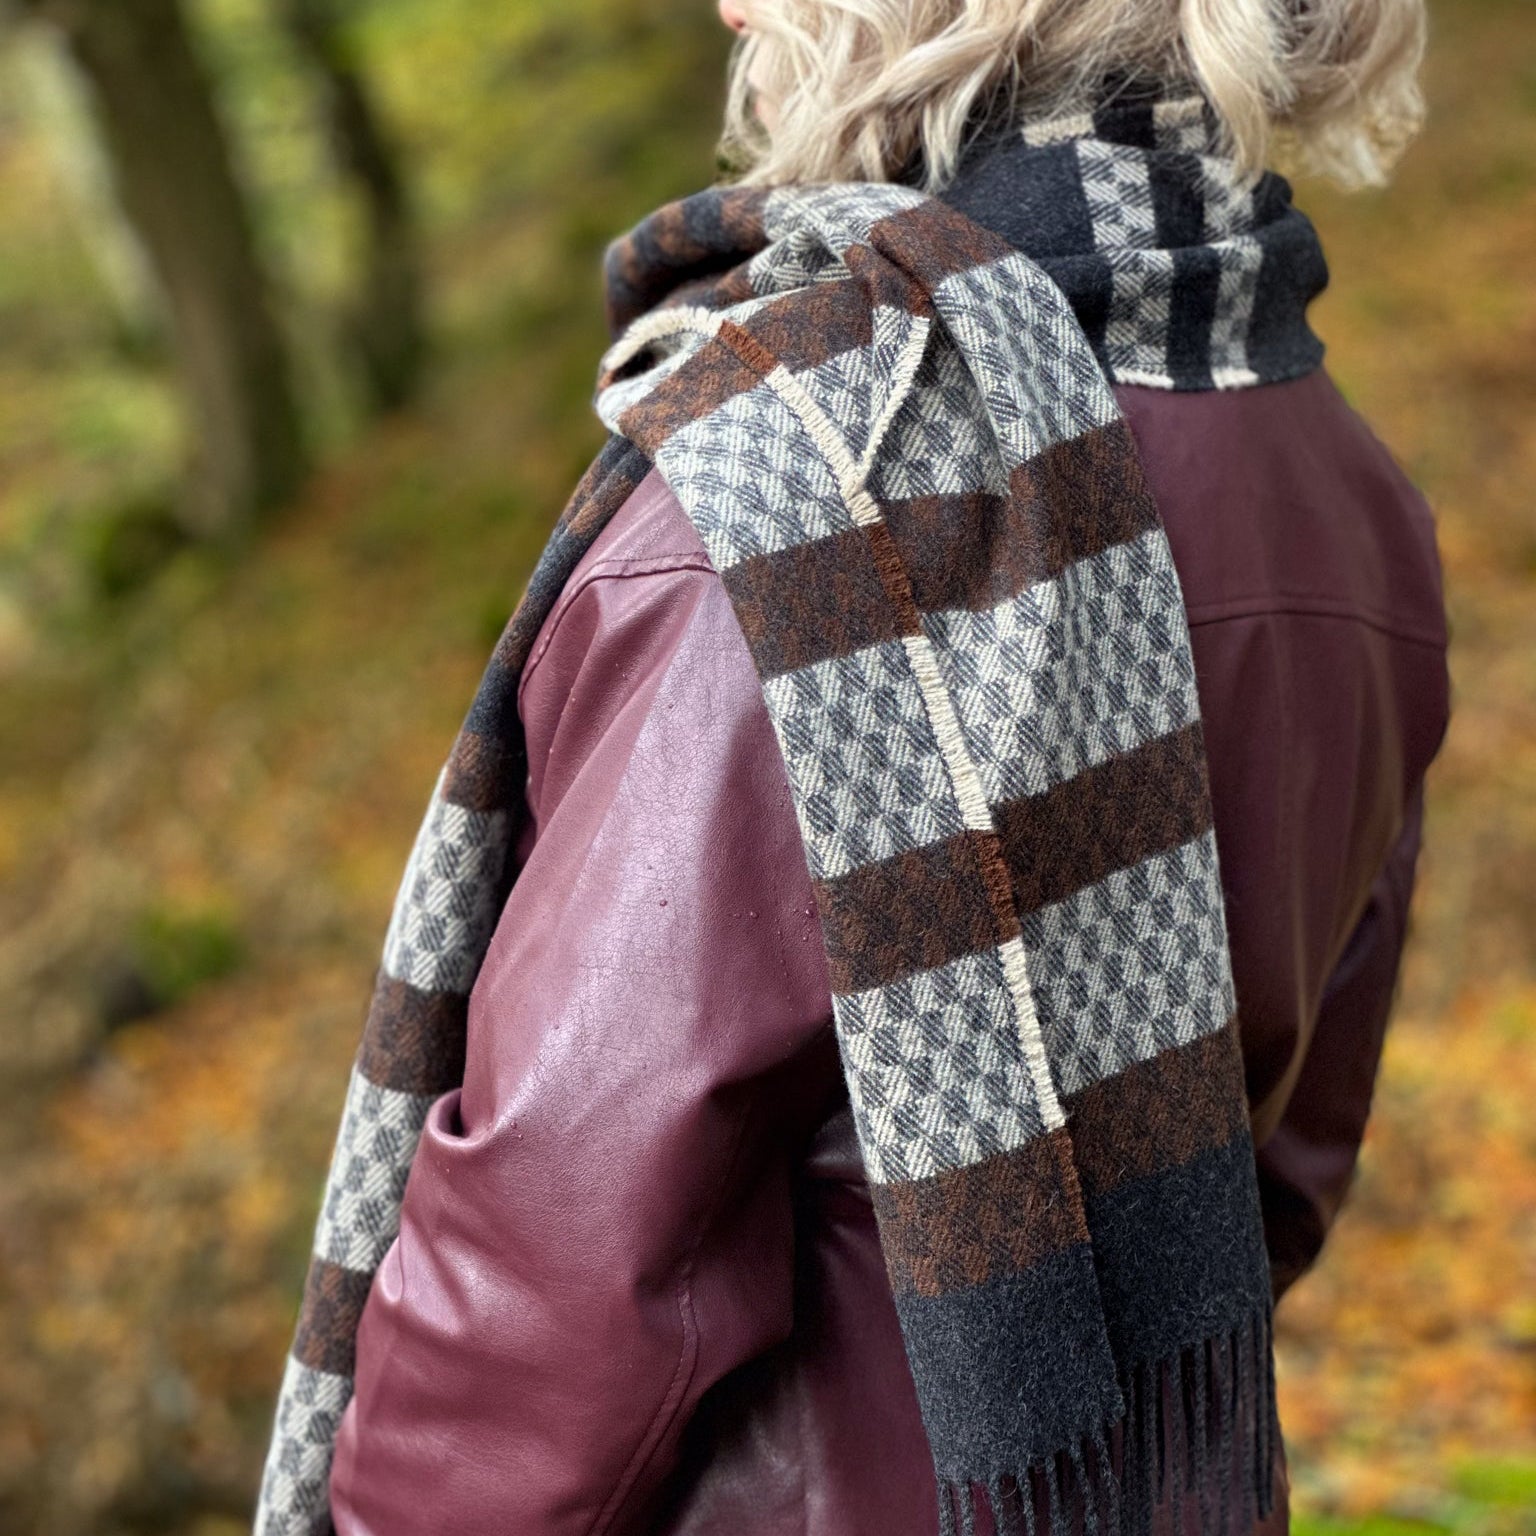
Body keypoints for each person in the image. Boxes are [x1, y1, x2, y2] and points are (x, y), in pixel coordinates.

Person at [256, 3, 1449, 1534]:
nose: (735, 5)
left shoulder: (798, 507)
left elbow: (553, 1275)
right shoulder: (1348, 487)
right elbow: (1283, 1161)